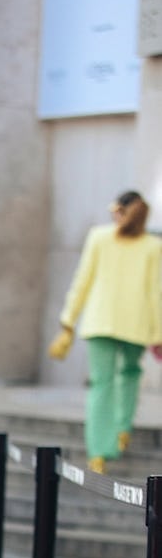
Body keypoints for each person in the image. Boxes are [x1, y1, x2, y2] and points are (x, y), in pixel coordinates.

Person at [48, 190, 162, 472]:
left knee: (101, 384)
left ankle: (98, 451)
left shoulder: (99, 237)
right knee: (130, 374)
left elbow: (82, 280)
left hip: (100, 321)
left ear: (120, 211)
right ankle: (122, 429)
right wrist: (158, 333)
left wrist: (68, 321)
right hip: (136, 323)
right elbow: (156, 293)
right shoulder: (152, 246)